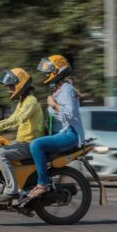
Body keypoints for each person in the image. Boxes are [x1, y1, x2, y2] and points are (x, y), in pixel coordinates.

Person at [0, 68, 44, 201]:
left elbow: (15, 121)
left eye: (11, 86)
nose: (9, 90)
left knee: (0, 153)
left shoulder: (31, 101)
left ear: (21, 84)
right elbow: (11, 119)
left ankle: (11, 190)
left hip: (30, 144)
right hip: (22, 142)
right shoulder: (22, 102)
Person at [28, 54, 85, 198]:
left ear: (57, 70)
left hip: (70, 134)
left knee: (36, 145)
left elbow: (70, 114)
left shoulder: (66, 88)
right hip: (61, 134)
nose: (46, 74)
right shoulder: (59, 89)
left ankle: (43, 183)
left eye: (48, 71)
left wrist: (53, 104)